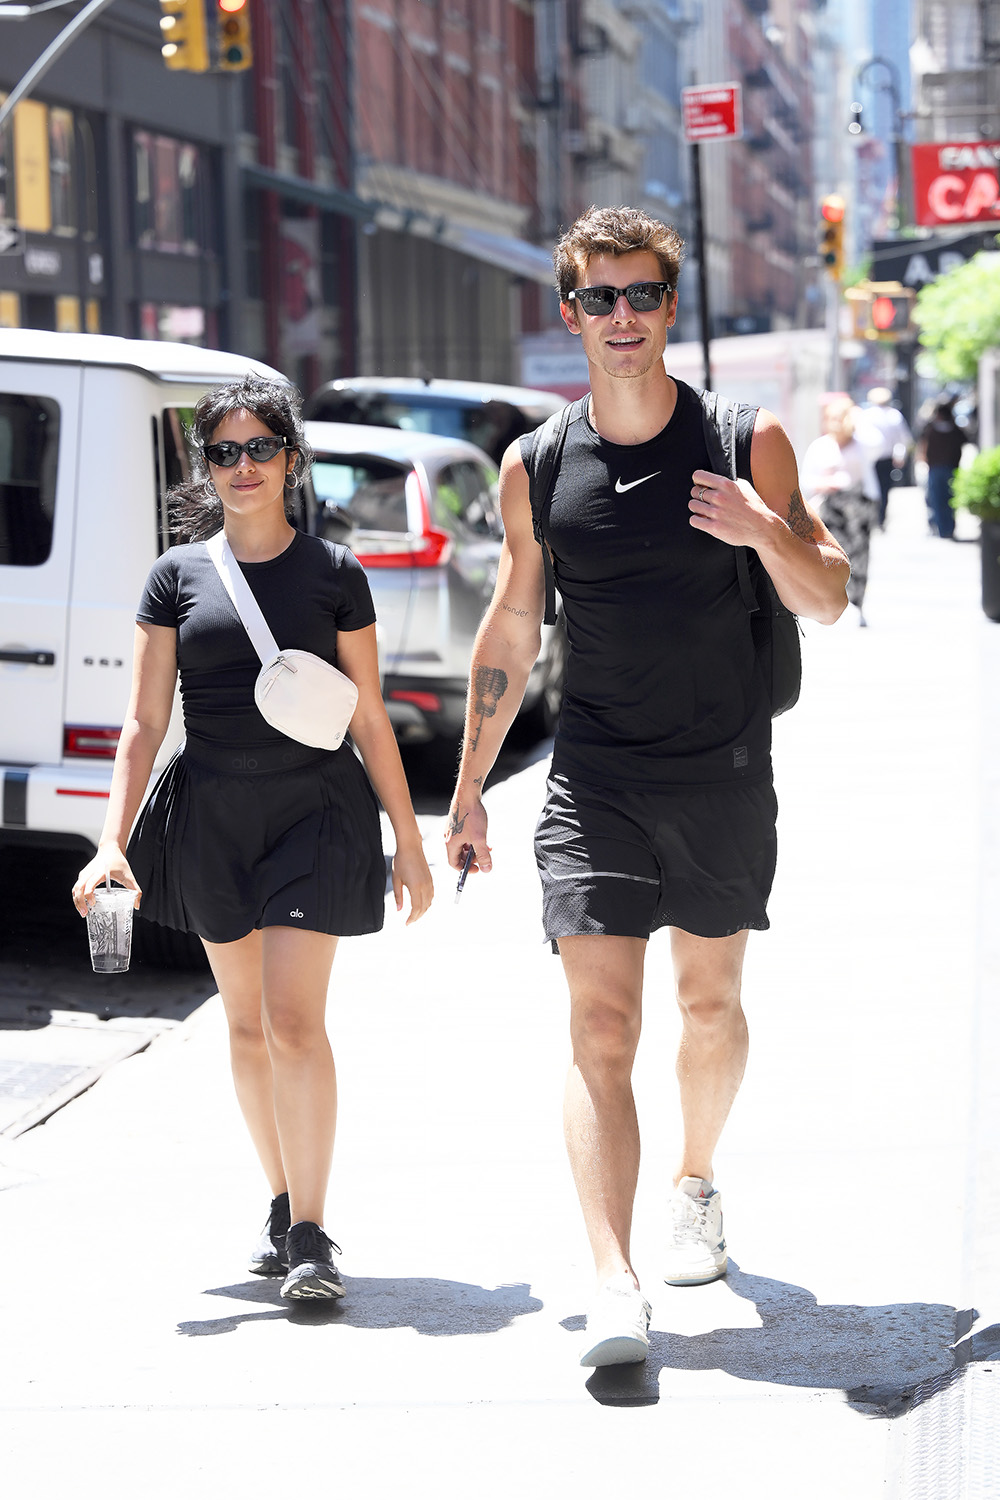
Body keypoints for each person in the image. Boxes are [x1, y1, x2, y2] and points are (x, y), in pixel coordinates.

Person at [444, 206, 850, 1368]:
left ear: (669, 308)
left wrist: (763, 529)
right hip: (594, 775)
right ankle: (611, 1280)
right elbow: (512, 624)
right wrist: (470, 787)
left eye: (639, 296)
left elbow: (824, 597)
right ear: (568, 312)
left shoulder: (742, 437)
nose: (619, 318)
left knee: (710, 1006)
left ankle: (696, 1182)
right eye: (597, 299)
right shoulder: (539, 465)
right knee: (600, 1025)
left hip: (721, 767)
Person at [72, 375, 433, 1300]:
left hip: (315, 813)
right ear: (208, 465)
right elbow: (144, 727)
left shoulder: (335, 574)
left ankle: (313, 1235)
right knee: (242, 1026)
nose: (241, 468)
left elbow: (370, 720)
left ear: (292, 460)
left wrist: (409, 838)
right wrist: (110, 843)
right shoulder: (175, 576)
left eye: (259, 450)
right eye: (223, 453)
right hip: (213, 816)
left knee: (293, 1020)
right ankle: (281, 1207)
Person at [801, 396, 878, 626]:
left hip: (859, 510)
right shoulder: (821, 445)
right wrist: (823, 483)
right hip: (831, 510)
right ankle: (829, 605)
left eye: (841, 418)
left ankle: (857, 604)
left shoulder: (862, 443)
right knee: (830, 556)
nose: (837, 423)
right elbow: (806, 479)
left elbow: (879, 442)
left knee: (860, 558)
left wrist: (857, 416)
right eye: (833, 418)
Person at [860, 387, 913, 529]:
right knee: (884, 489)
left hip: (870, 458)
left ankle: (872, 517)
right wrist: (900, 456)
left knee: (870, 487)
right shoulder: (894, 415)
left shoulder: (866, 415)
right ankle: (880, 518)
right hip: (886, 458)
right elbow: (904, 439)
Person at [917, 396, 966, 539]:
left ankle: (941, 528)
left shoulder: (930, 428)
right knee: (949, 499)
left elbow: (923, 445)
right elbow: (964, 442)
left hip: (936, 468)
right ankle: (948, 528)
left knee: (937, 499)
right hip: (951, 467)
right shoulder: (955, 430)